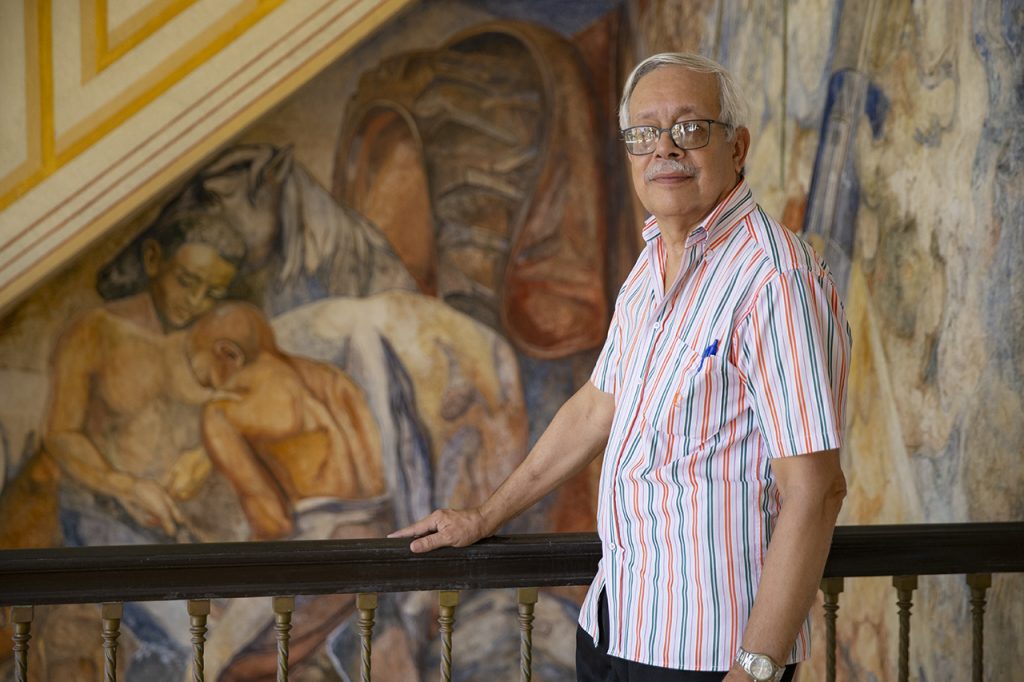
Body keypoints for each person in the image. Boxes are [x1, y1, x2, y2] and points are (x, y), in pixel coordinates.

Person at [391, 52, 851, 682]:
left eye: (690, 128)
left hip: (708, 654)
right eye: (644, 133)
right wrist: (485, 515)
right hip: (617, 623)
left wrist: (756, 669)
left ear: (737, 147)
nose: (665, 148)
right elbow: (595, 407)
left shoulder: (775, 279)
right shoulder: (651, 263)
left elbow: (816, 491)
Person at [183, 301, 395, 681]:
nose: (215, 391)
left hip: (323, 546)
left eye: (209, 380)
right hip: (381, 535)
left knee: (215, 664)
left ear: (228, 354)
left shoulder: (223, 413)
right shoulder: (330, 379)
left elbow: (273, 523)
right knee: (293, 655)